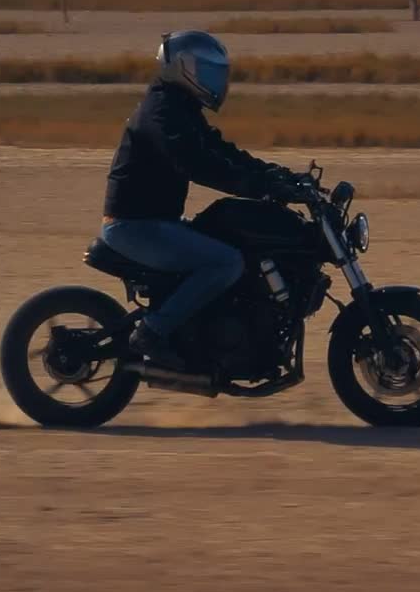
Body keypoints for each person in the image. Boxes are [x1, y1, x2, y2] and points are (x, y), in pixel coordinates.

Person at [101, 30, 295, 369]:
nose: (215, 80)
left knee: (238, 248)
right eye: (207, 71)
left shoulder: (181, 108)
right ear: (181, 68)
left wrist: (278, 175)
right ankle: (151, 332)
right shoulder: (162, 114)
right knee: (226, 262)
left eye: (217, 73)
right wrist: (258, 187)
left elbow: (221, 151)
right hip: (135, 227)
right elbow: (196, 163)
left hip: (156, 223)